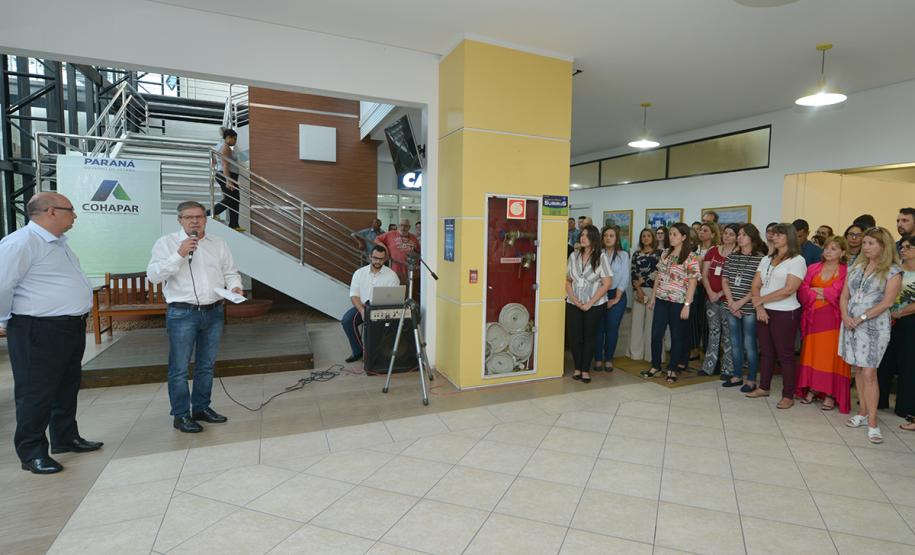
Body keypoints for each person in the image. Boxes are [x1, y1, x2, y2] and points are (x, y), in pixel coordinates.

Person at [0, 192, 103, 474]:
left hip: (68, 326)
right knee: (36, 392)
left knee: (65, 386)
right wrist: (2, 319)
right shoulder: (20, 243)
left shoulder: (58, 243)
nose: (75, 215)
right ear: (50, 211)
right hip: (38, 328)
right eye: (70, 209)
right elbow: (2, 284)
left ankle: (65, 437)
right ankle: (32, 452)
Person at [147, 201, 243, 433]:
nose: (194, 221)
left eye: (199, 217)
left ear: (205, 220)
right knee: (179, 367)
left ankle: (201, 408)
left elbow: (230, 272)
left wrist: (236, 287)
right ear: (179, 220)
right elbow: (153, 276)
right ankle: (181, 415)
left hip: (214, 312)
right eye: (188, 217)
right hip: (182, 313)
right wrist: (179, 254)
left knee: (206, 365)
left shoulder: (218, 243)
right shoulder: (166, 243)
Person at [840, 227, 903, 444]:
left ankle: (874, 423)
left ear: (883, 246)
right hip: (850, 324)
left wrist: (861, 318)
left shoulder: (893, 271)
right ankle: (863, 413)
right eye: (865, 243)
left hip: (874, 327)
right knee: (857, 368)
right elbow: (844, 295)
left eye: (871, 243)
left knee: (870, 373)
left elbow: (887, 303)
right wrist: (845, 316)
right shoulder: (856, 267)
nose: (866, 247)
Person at [746, 223, 806, 409]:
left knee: (785, 354)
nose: (775, 237)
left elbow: (789, 289)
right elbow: (755, 285)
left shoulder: (797, 260)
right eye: (774, 234)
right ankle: (764, 387)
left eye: (780, 234)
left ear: (789, 237)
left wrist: (760, 300)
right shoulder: (766, 259)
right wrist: (761, 307)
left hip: (785, 311)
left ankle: (788, 395)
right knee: (766, 351)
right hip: (764, 309)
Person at [796, 236, 851, 412]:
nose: (828, 251)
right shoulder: (812, 268)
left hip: (833, 320)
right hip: (813, 318)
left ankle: (829, 393)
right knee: (812, 354)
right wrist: (823, 293)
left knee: (830, 356)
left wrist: (818, 291)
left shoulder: (845, 271)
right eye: (827, 248)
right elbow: (803, 290)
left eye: (834, 248)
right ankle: (812, 388)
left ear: (842, 252)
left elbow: (839, 294)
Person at [643, 223, 700, 384]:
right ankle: (655, 366)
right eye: (671, 234)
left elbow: (693, 283)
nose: (672, 237)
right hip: (661, 300)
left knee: (677, 337)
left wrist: (687, 305)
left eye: (675, 234)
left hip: (678, 302)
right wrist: (653, 298)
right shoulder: (665, 254)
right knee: (656, 334)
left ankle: (673, 369)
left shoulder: (691, 257)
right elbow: (659, 277)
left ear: (684, 237)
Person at [721, 223, 767, 391]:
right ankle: (737, 375)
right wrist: (732, 302)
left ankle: (752, 379)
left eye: (743, 235)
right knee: (735, 342)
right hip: (731, 306)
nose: (739, 238)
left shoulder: (761, 258)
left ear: (752, 238)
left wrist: (740, 303)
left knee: (749, 344)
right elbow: (725, 280)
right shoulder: (732, 257)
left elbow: (758, 286)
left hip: (749, 308)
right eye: (738, 234)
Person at [566, 224, 612, 383]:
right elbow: (568, 280)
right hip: (574, 303)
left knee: (589, 336)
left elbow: (607, 284)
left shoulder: (602, 257)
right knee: (574, 337)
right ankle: (577, 367)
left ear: (593, 238)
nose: (582, 237)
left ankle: (585, 369)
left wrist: (589, 304)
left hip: (595, 304)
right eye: (581, 235)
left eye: (586, 235)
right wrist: (573, 299)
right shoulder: (574, 256)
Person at [341, 245, 401, 363]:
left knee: (384, 327)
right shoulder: (359, 273)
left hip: (383, 308)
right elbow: (354, 295)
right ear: (370, 257)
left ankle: (380, 352)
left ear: (385, 259)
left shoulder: (392, 275)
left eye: (381, 259)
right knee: (347, 320)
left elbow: (394, 297)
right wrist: (362, 311)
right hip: (363, 306)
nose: (378, 261)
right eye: (375, 258)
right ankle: (359, 351)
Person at [883, 235, 915, 427]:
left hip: (910, 321)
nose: (903, 249)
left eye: (908, 247)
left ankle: (904, 406)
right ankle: (879, 400)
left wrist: (900, 313)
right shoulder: (895, 270)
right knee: (885, 360)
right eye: (901, 247)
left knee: (908, 364)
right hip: (887, 319)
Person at [700, 223, 736, 378]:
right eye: (725, 233)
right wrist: (710, 291)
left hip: (728, 299)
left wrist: (720, 293)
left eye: (731, 234)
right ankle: (709, 366)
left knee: (728, 334)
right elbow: (704, 273)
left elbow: (735, 279)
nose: (727, 236)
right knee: (713, 332)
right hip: (711, 298)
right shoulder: (713, 251)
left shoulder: (738, 253)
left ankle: (728, 369)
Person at [594, 225, 630, 372]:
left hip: (617, 294)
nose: (608, 238)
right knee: (598, 329)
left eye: (611, 236)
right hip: (598, 295)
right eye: (606, 235)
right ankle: (597, 358)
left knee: (612, 328)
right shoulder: (597, 254)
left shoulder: (623, 255)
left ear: (616, 238)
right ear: (602, 238)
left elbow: (625, 277)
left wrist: (615, 298)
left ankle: (608, 359)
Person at [629, 228, 661, 362]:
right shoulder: (636, 254)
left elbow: (659, 273)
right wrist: (638, 288)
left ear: (653, 238)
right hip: (638, 291)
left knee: (651, 323)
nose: (646, 238)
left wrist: (647, 283)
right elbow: (633, 273)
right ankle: (636, 353)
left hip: (653, 291)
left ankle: (650, 354)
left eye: (648, 236)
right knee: (636, 322)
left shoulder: (659, 254)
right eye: (643, 236)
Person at [690, 222, 719, 363]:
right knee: (694, 318)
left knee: (707, 320)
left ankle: (709, 350)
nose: (701, 233)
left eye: (705, 230)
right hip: (695, 286)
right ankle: (694, 348)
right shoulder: (695, 249)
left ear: (713, 234)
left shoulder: (715, 250)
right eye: (700, 230)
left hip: (708, 287)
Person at [212, 128, 243, 231]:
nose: (235, 141)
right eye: (234, 139)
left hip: (224, 175)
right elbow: (225, 164)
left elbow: (214, 160)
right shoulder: (225, 147)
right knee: (231, 199)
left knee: (234, 200)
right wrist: (228, 180)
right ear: (228, 137)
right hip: (227, 175)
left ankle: (234, 224)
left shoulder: (218, 146)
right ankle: (210, 213)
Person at [374, 219, 420, 284]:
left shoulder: (413, 237)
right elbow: (377, 239)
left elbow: (419, 250)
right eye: (401, 225)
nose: (403, 228)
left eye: (406, 226)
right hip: (394, 268)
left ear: (409, 227)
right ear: (398, 226)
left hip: (409, 269)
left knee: (407, 289)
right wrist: (385, 249)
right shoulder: (391, 234)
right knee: (394, 287)